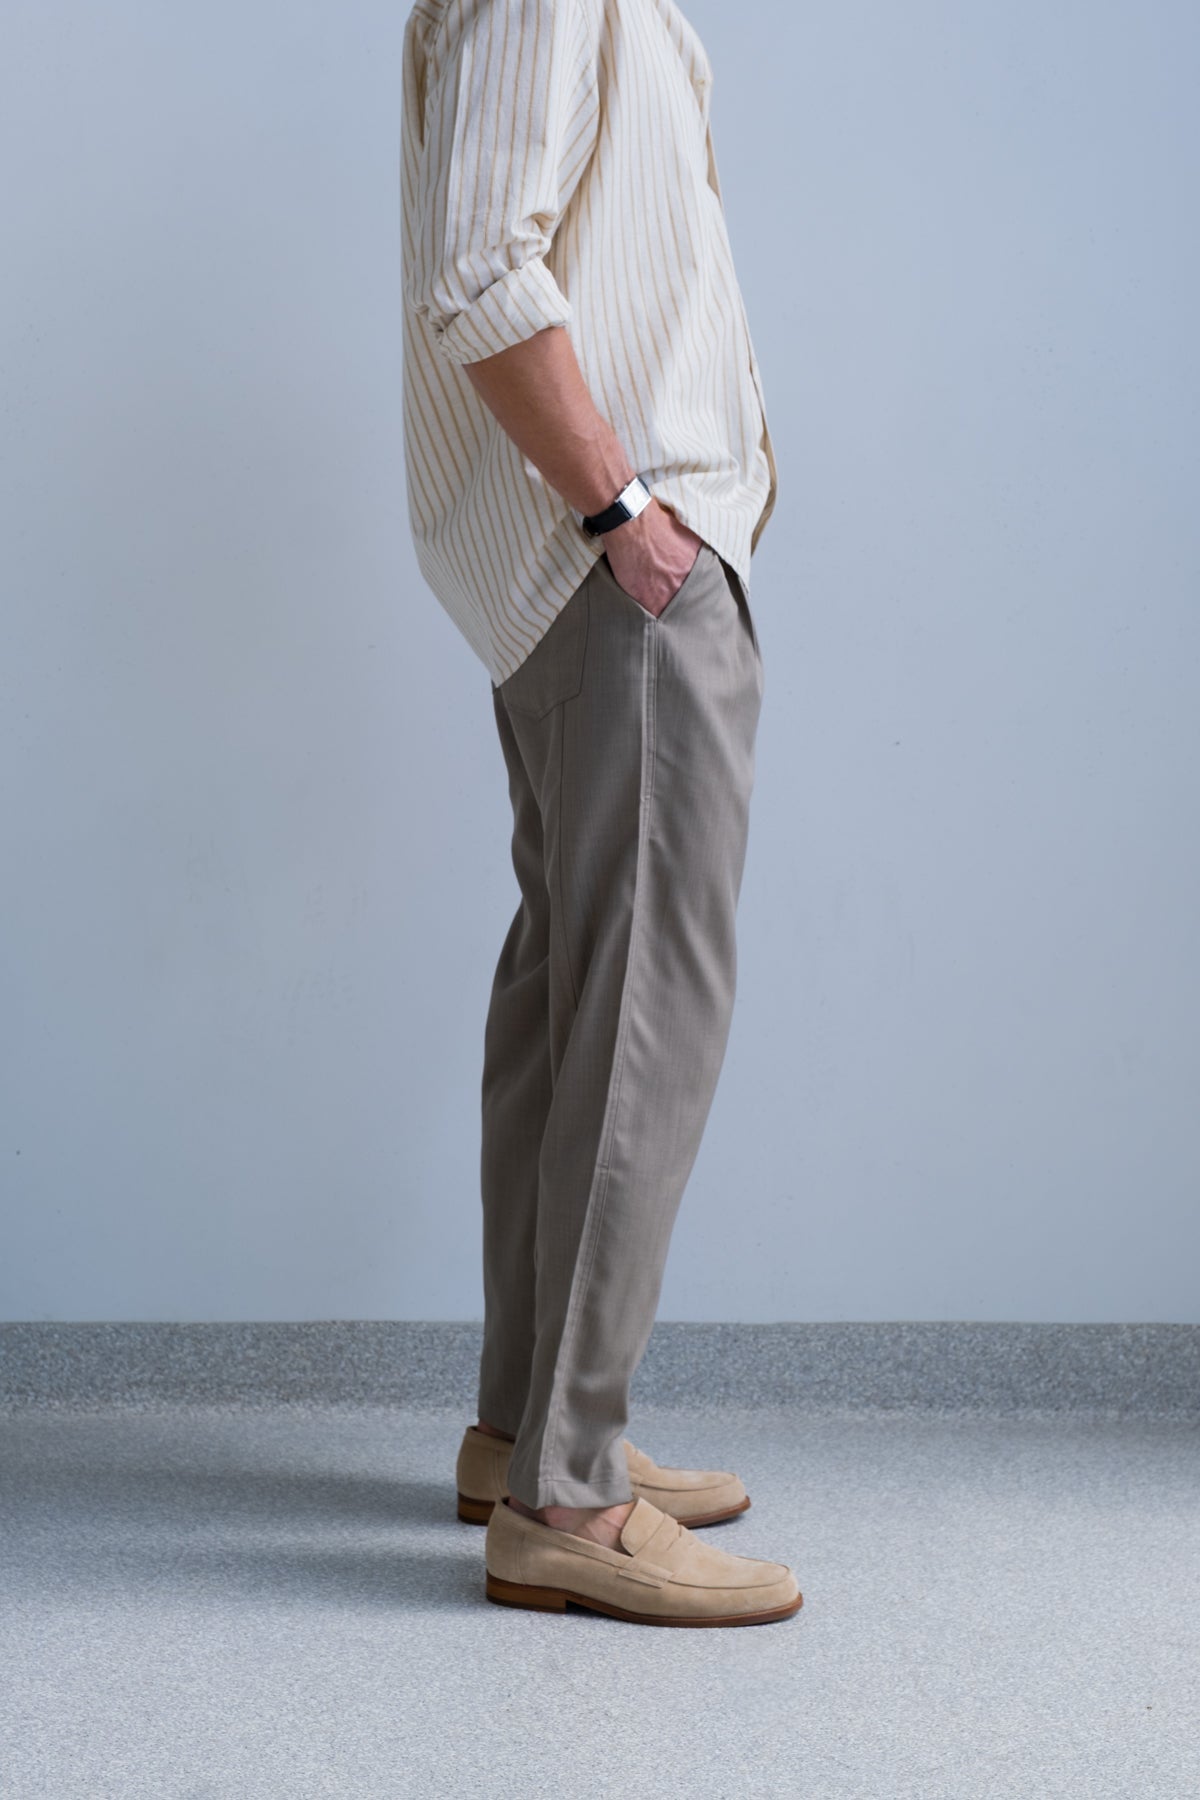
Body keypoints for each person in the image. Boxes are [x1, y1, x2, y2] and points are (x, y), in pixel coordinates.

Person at [399, 0, 801, 1627]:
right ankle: (570, 1492)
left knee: (577, 989)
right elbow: (478, 269)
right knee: (647, 1008)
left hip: (582, 573)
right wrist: (626, 514)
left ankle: (523, 1432)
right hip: (616, 564)